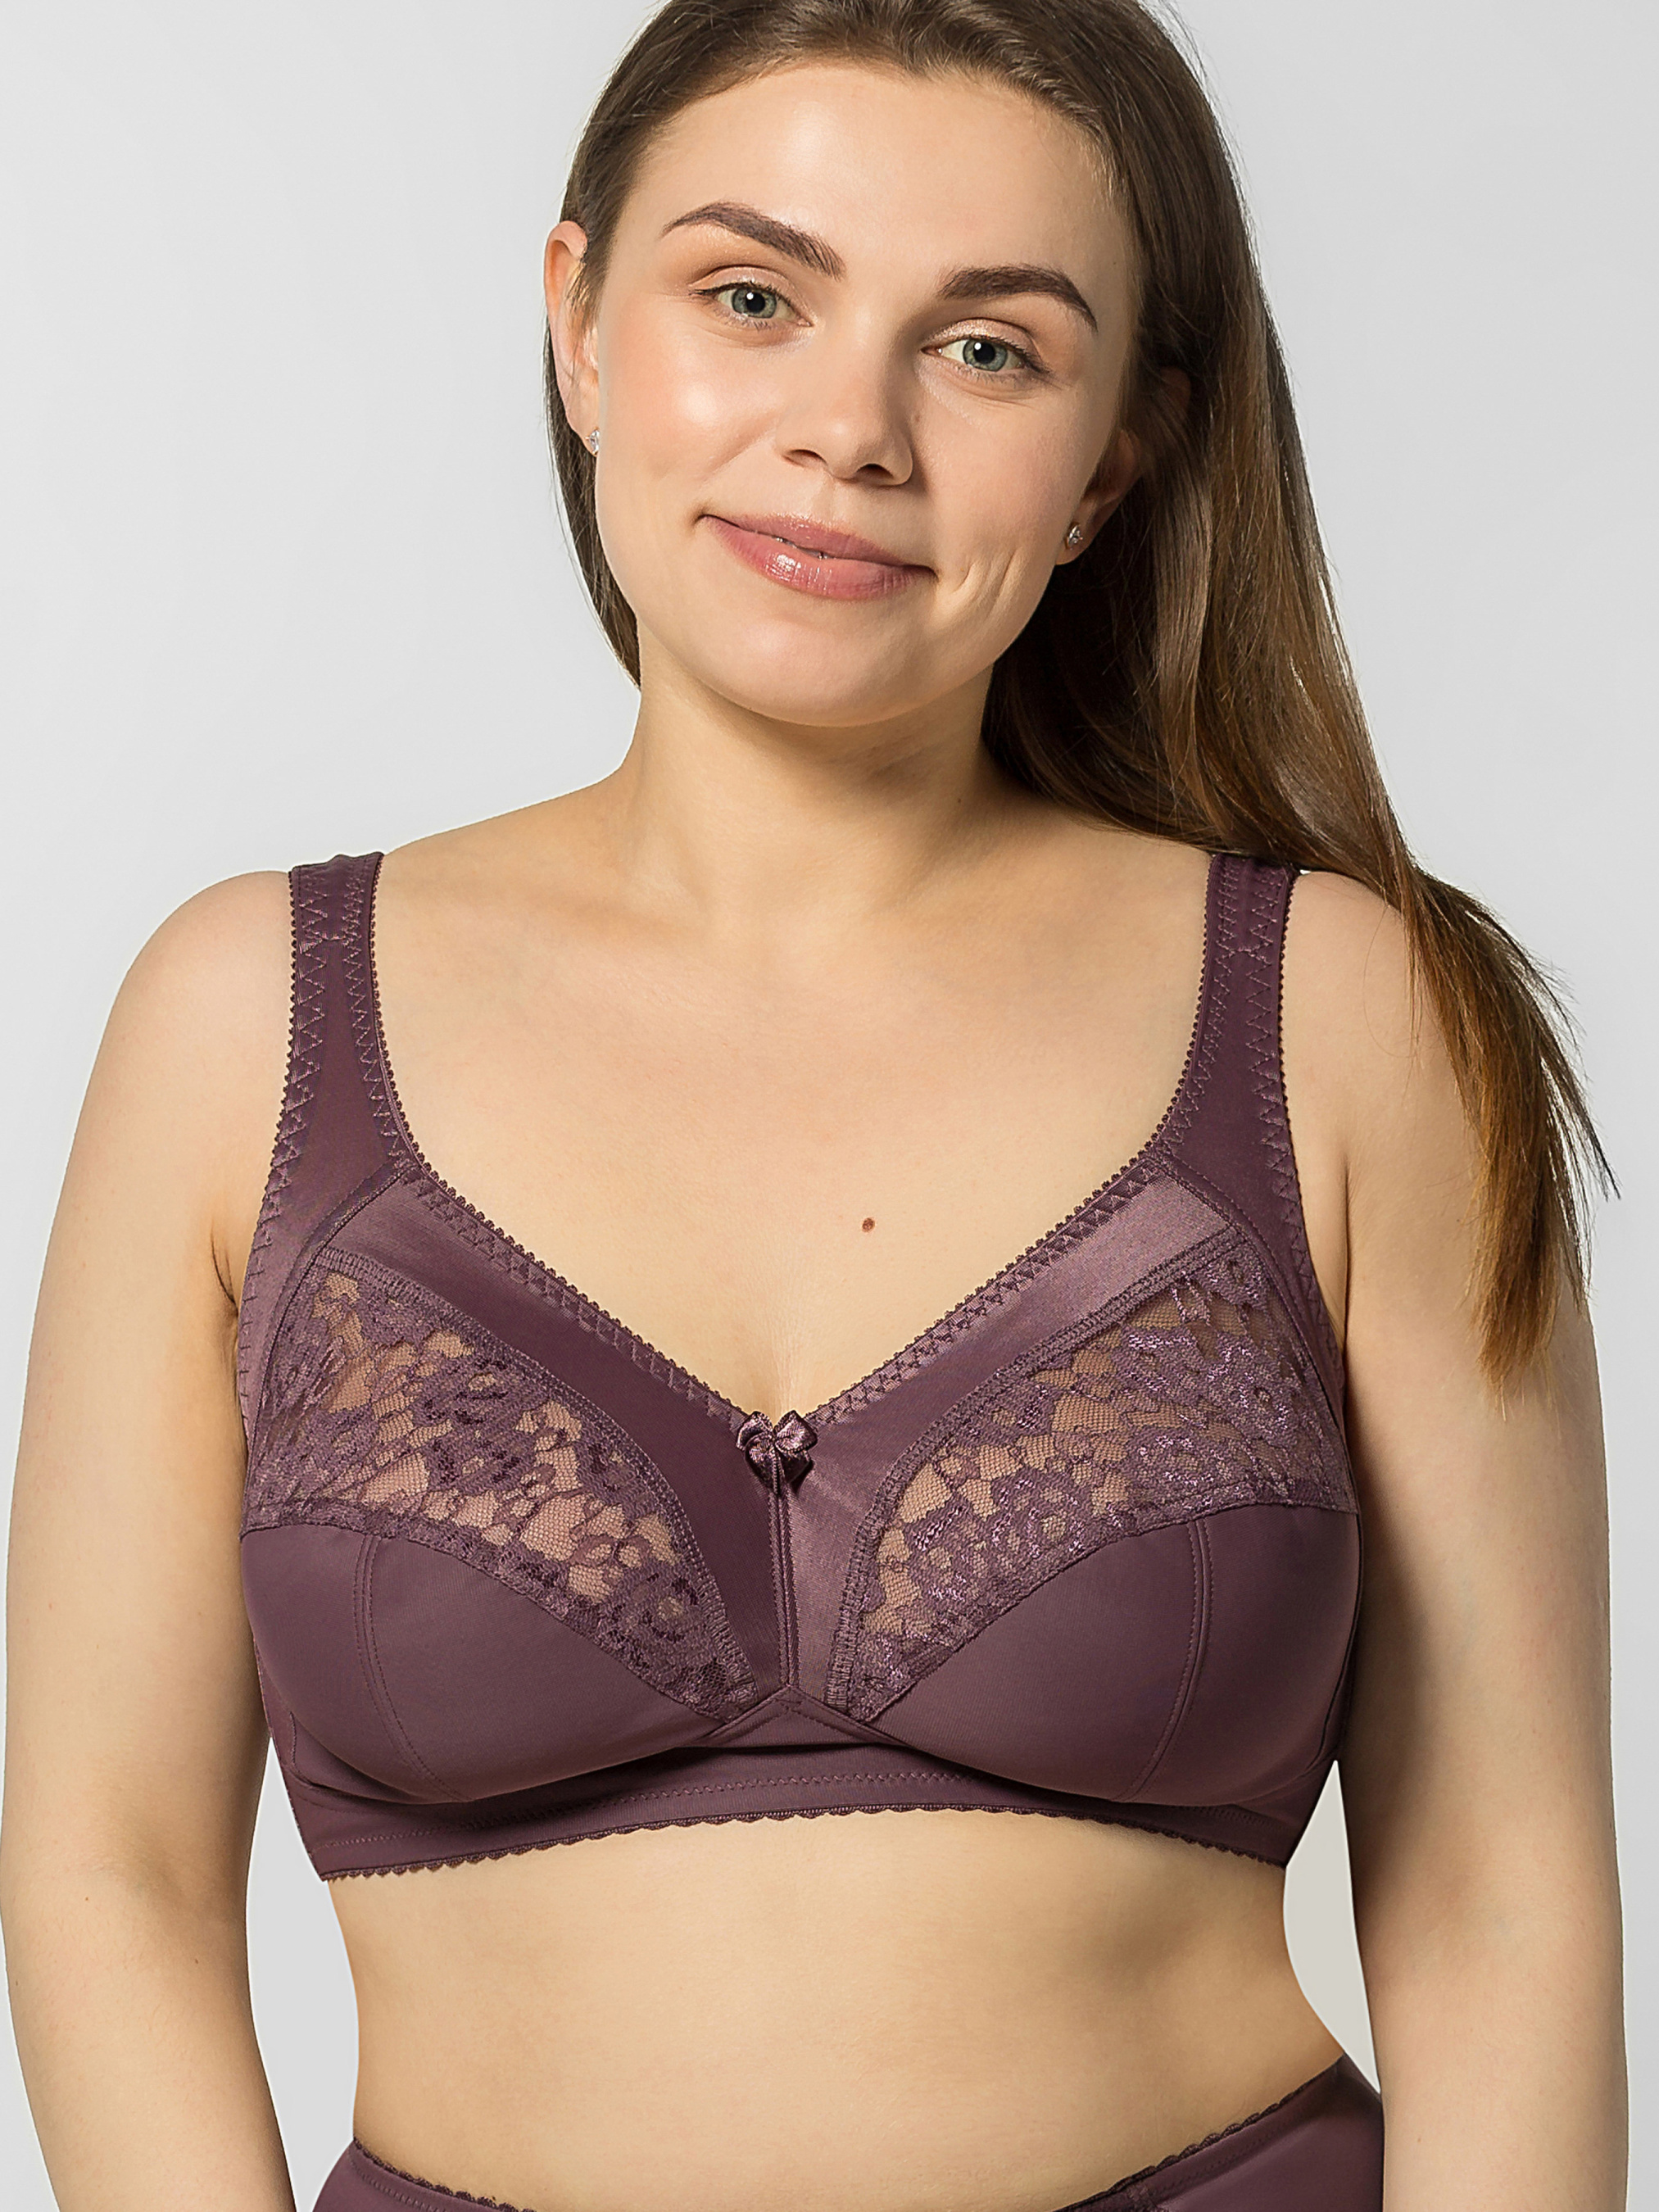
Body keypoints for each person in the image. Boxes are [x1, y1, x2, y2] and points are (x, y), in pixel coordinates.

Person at [1, 2, 1626, 2208]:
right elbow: (107, 1872)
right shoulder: (244, 1025)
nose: (848, 430)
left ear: (1113, 463)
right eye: (752, 297)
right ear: (581, 324)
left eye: (988, 349)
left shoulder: (1349, 1018)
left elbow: (1503, 1901)